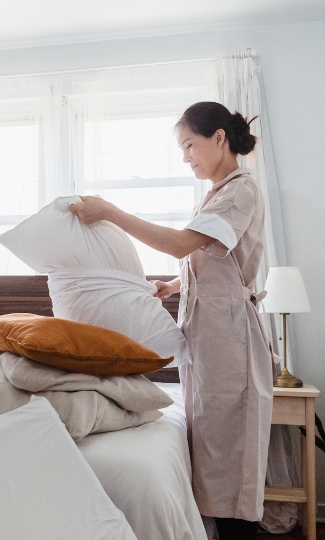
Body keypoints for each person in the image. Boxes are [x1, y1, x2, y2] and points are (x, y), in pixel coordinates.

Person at [69, 102, 274, 540]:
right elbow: (216, 260)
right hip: (208, 332)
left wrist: (111, 212)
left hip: (228, 335)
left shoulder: (241, 190)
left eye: (189, 145)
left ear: (219, 138)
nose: (185, 157)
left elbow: (183, 244)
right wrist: (174, 286)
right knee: (214, 446)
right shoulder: (216, 194)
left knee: (231, 452)